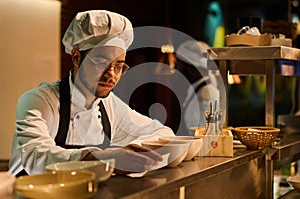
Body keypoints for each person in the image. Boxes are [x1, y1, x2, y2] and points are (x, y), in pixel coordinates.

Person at [8, 10, 174, 176]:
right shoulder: (39, 100)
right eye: (102, 62)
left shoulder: (109, 105)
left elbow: (163, 132)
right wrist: (106, 158)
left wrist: (133, 150)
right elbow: (36, 156)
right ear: (76, 57)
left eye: (118, 66)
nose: (112, 75)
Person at [175, 40, 219, 133]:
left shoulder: (207, 92)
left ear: (191, 67)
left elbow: (206, 133)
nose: (176, 68)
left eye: (179, 63)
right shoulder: (195, 89)